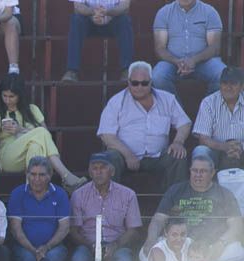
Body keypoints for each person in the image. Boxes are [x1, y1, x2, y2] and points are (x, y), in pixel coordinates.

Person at [146, 150, 244, 261]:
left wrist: (222, 242)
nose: (198, 175)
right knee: (148, 252)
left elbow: (237, 225)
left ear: (212, 173)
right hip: (181, 247)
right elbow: (159, 219)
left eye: (203, 171)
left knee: (239, 254)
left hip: (213, 248)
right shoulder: (176, 190)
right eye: (194, 170)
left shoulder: (224, 193)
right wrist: (150, 239)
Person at [97, 61, 191, 191]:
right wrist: (128, 155)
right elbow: (107, 135)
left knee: (178, 155)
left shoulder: (167, 99)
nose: (139, 87)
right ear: (128, 82)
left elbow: (184, 123)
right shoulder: (116, 102)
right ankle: (108, 205)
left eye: (144, 83)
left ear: (151, 82)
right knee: (109, 158)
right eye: (135, 83)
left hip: (158, 156)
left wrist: (178, 142)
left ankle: (175, 204)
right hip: (124, 156)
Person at [0, 73, 86, 190]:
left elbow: (46, 135)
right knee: (40, 132)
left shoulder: (32, 109)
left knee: (36, 146)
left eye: (11, 96)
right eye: (4, 96)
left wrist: (20, 130)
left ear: (20, 95)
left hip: (30, 157)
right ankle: (66, 175)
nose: (7, 100)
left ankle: (32, 189)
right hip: (9, 157)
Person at [68, 151, 143, 261]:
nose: (98, 172)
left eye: (103, 167)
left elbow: (133, 230)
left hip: (117, 244)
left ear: (112, 171)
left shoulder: (128, 194)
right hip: (87, 245)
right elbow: (74, 230)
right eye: (95, 168)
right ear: (90, 172)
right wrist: (90, 246)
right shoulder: (78, 195)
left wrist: (115, 245)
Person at [7, 156, 71, 261]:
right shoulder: (18, 193)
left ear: (50, 175)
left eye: (42, 175)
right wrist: (32, 249)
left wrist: (46, 248)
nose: (37, 179)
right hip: (24, 247)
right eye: (33, 174)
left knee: (51, 258)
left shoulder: (60, 194)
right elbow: (15, 229)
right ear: (27, 174)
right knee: (28, 259)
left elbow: (64, 228)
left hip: (53, 247)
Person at [151, 0, 225, 96]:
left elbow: (214, 47)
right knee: (157, 77)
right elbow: (160, 48)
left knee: (222, 74)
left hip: (203, 62)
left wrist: (194, 60)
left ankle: (207, 109)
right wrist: (177, 61)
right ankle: (175, 110)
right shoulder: (164, 12)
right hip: (172, 63)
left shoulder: (209, 12)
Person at [62, 1, 133, 83]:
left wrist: (106, 12)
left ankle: (126, 70)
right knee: (76, 19)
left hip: (112, 21)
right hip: (90, 21)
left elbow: (125, 7)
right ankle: (72, 71)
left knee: (125, 20)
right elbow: (77, 7)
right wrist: (93, 12)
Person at [193, 66, 244, 170]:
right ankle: (201, 186)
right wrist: (225, 147)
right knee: (200, 151)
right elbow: (203, 139)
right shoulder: (208, 102)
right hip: (216, 150)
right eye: (225, 83)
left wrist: (240, 147)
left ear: (242, 86)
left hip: (242, 151)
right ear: (220, 84)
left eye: (233, 83)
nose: (228, 87)